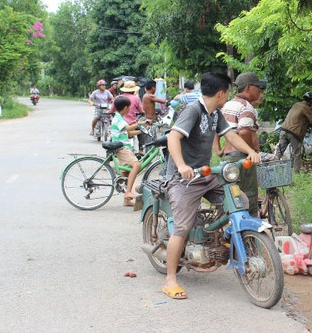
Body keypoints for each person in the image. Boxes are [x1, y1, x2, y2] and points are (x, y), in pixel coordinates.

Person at [163, 72, 261, 300]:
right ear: (221, 93)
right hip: (183, 179)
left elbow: (231, 135)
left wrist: (251, 152)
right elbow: (173, 138)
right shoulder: (193, 111)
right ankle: (170, 280)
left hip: (205, 175)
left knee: (240, 202)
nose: (228, 95)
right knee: (182, 227)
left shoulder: (215, 113)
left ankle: (217, 240)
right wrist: (180, 165)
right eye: (227, 92)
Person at [220, 72, 266, 217]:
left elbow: (217, 129)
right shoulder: (246, 107)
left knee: (232, 196)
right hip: (241, 158)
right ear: (248, 88)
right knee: (249, 195)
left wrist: (218, 149)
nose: (259, 91)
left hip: (227, 158)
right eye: (257, 87)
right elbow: (245, 131)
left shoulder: (228, 104)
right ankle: (250, 230)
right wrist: (249, 152)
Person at [274, 92, 312, 173]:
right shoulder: (306, 108)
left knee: (279, 152)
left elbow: (300, 119)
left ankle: (272, 169)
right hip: (294, 133)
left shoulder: (296, 104)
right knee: (297, 154)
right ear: (311, 101)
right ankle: (296, 173)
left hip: (284, 130)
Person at [110, 96, 142, 206]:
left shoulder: (120, 118)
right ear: (125, 108)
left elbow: (128, 134)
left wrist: (141, 131)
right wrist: (140, 124)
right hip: (122, 148)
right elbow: (128, 129)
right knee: (136, 165)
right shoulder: (118, 118)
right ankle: (128, 192)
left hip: (125, 148)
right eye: (129, 107)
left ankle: (126, 200)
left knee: (126, 173)